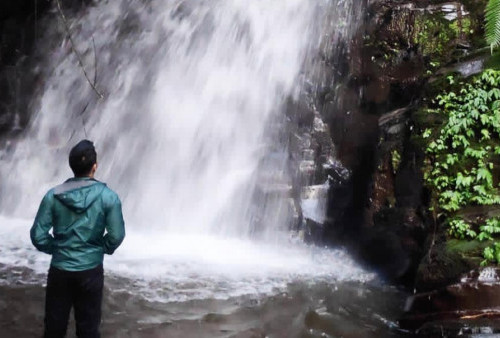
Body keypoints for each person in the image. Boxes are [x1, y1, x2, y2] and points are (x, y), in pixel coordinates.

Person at [30, 139, 125, 338]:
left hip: (60, 271)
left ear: (71, 166)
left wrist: (58, 248)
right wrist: (99, 249)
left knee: (54, 330)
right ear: (95, 167)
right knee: (89, 330)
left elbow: (38, 236)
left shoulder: (53, 195)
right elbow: (116, 235)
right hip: (91, 272)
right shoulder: (109, 197)